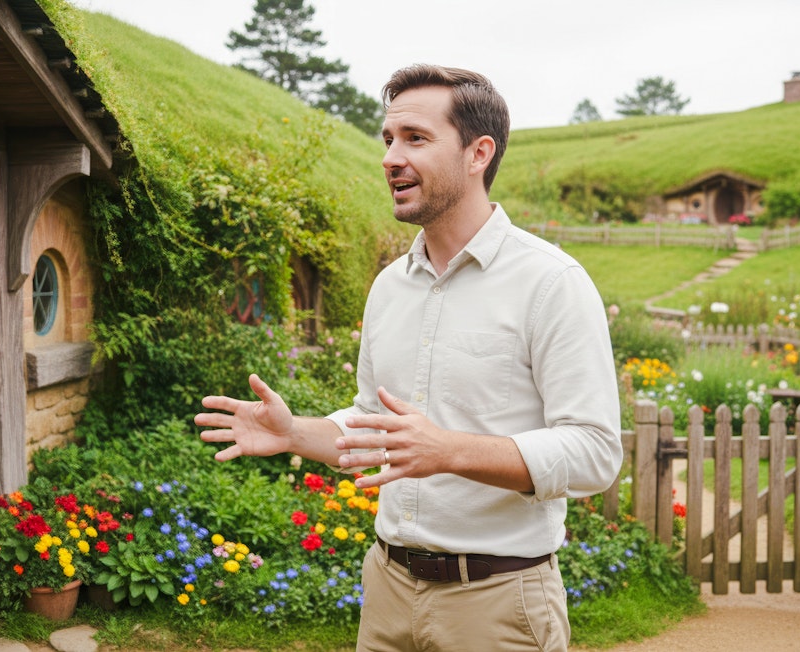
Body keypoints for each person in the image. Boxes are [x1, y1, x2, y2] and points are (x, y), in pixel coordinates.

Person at [195, 64, 622, 652]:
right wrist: (296, 433)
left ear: (479, 153)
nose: (391, 157)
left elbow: (595, 453)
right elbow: (374, 425)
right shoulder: (389, 286)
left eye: (415, 139)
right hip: (388, 590)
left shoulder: (551, 283)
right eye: (388, 140)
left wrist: (449, 451)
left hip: (497, 604)